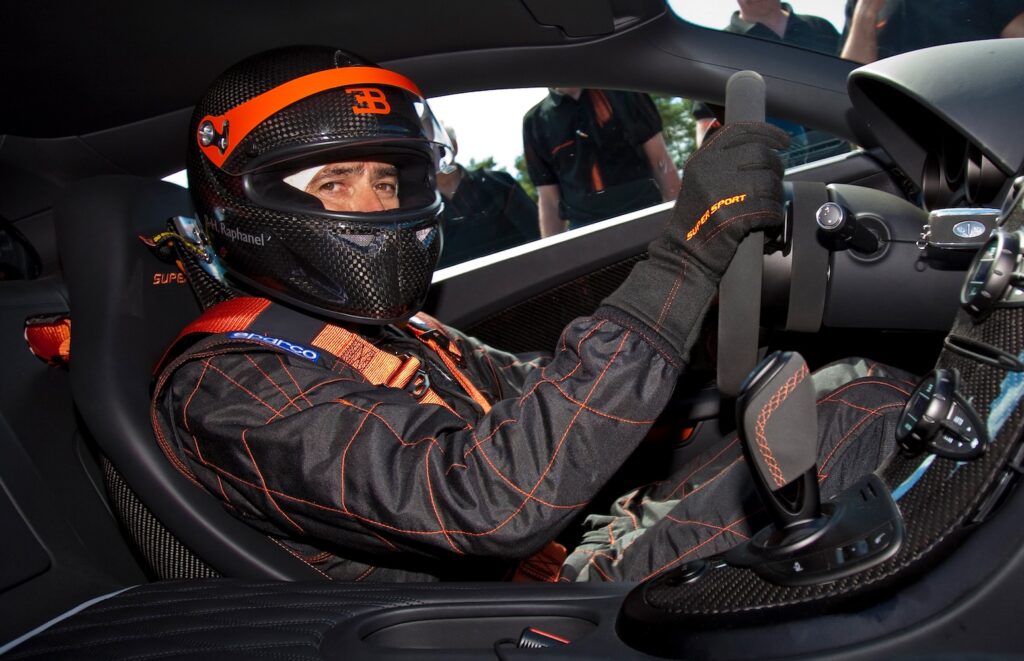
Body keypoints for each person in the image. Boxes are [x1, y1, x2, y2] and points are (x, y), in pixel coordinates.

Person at [152, 45, 912, 582]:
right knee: (871, 410)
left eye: (387, 182)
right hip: (527, 616)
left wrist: (686, 357)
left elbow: (539, 393)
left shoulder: (395, 333)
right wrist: (688, 254)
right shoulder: (228, 386)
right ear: (253, 202)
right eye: (337, 181)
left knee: (841, 388)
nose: (374, 206)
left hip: (575, 539)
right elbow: (486, 500)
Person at [522, 88, 680, 237]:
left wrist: (686, 221)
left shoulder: (625, 92)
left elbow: (660, 161)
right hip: (586, 233)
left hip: (646, 214)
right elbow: (549, 199)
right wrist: (552, 258)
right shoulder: (535, 122)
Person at [693, 0, 840, 149]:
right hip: (778, 169)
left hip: (848, 161)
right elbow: (707, 124)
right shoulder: (718, 49)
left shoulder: (820, 27)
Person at [434, 126, 539, 268]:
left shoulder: (499, 184)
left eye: (436, 145)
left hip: (519, 279)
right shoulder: (417, 208)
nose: (432, 153)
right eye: (424, 147)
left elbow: (537, 234)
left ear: (454, 146)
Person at [841, 0, 1024, 64]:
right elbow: (844, 89)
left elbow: (1018, 42)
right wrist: (866, 12)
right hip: (898, 137)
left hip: (978, 128)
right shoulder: (860, 7)